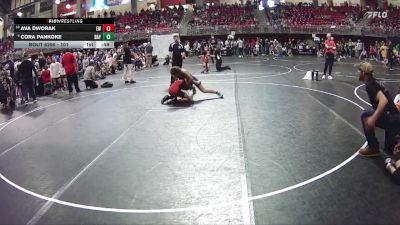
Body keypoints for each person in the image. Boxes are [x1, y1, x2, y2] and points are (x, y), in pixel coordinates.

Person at [358, 62, 400, 157]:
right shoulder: (374, 82)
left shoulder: (370, 85)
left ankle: (373, 148)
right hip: (394, 117)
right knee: (389, 148)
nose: (358, 73)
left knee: (365, 115)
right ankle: (395, 141)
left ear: (363, 73)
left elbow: (383, 101)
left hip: (394, 119)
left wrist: (373, 118)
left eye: (359, 71)